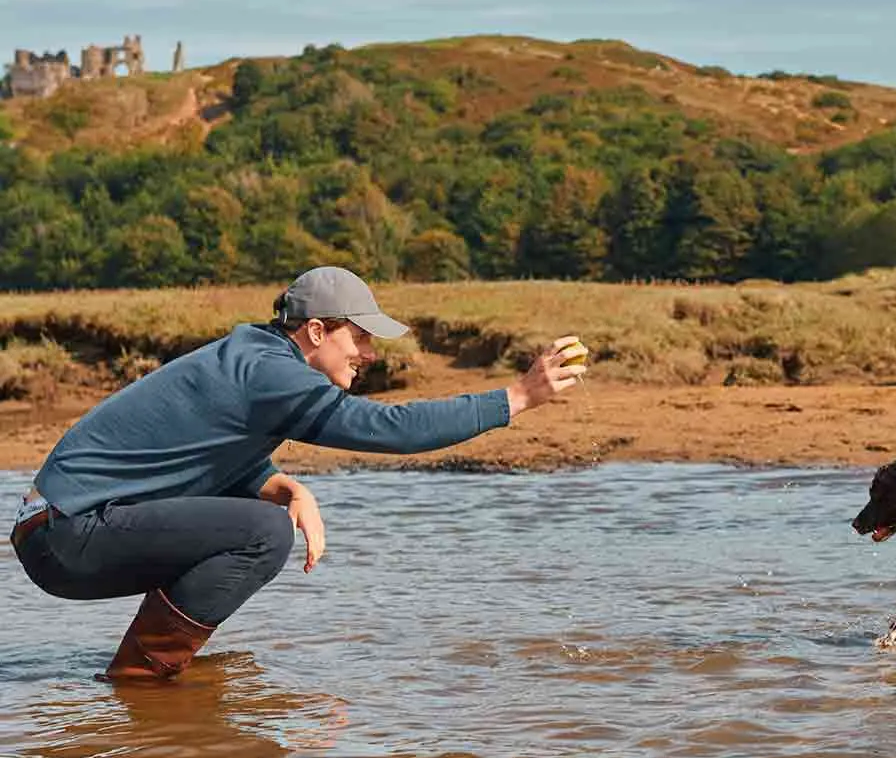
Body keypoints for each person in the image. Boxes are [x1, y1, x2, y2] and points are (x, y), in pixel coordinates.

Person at [9, 266, 586, 682]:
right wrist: (517, 396)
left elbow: (198, 447)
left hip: (56, 528)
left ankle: (146, 682)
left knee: (264, 519)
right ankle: (141, 678)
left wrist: (284, 484)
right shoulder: (272, 374)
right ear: (316, 331)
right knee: (264, 534)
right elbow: (395, 430)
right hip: (67, 534)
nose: (371, 354)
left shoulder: (255, 359)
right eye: (359, 338)